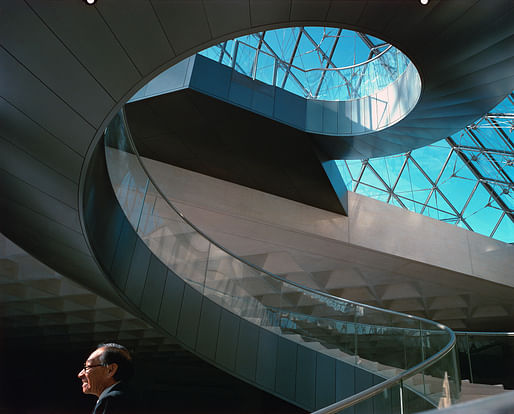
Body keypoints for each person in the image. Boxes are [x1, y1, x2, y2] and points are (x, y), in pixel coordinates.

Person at [78, 343, 135, 414]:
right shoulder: (129, 398)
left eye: (88, 367)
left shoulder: (111, 400)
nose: (80, 374)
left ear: (110, 370)